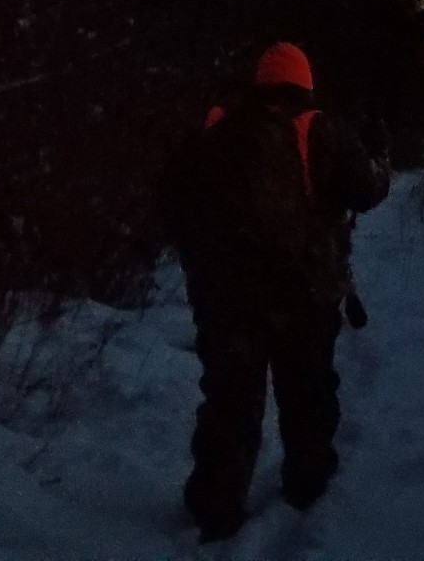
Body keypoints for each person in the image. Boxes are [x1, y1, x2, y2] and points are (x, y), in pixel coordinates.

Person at [161, 42, 389, 543]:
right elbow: (369, 191)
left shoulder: (217, 129)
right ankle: (308, 489)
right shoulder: (318, 129)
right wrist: (379, 157)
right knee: (306, 395)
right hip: (302, 298)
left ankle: (216, 507)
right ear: (304, 84)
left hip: (225, 303)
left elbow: (173, 203)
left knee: (229, 402)